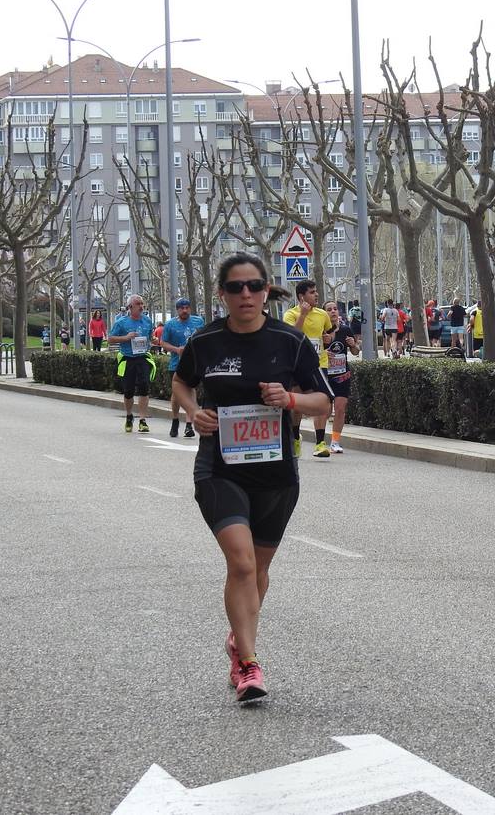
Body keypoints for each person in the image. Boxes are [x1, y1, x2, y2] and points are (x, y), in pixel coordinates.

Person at [172, 252, 332, 702]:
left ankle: (237, 638)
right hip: (219, 468)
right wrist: (193, 412)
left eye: (254, 286)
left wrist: (291, 401)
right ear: (222, 294)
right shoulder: (205, 342)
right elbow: (181, 383)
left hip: (276, 471)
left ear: (266, 291)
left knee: (258, 570)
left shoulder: (290, 342)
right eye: (236, 287)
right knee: (241, 562)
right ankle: (248, 662)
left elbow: (325, 399)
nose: (246, 294)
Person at [283, 279, 334, 457]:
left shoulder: (322, 314)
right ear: (301, 296)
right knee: (297, 404)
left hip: (319, 363)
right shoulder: (290, 314)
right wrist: (303, 315)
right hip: (298, 365)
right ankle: (296, 438)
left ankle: (320, 443)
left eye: (316, 291)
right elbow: (292, 336)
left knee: (323, 402)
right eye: (312, 292)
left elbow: (329, 333)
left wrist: (328, 339)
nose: (316, 294)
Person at [108, 294, 155, 433]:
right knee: (128, 391)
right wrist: (125, 337)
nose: (141, 306)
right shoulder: (121, 322)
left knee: (144, 387)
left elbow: (150, 337)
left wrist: (153, 341)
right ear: (130, 307)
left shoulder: (147, 321)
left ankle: (142, 420)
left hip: (143, 357)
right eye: (138, 304)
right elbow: (110, 339)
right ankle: (129, 416)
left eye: (142, 304)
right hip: (127, 358)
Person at [162, 297, 206, 437]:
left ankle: (189, 425)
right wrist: (177, 349)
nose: (185, 310)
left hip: (193, 363)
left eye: (187, 308)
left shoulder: (198, 321)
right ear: (177, 310)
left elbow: (203, 338)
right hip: (176, 363)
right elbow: (163, 343)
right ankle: (175, 420)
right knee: (177, 394)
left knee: (191, 390)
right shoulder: (170, 325)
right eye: (182, 308)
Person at [325, 301, 360, 453]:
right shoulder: (320, 331)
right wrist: (322, 354)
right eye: (329, 309)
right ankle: (320, 439)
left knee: (340, 409)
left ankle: (335, 441)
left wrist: (353, 345)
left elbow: (356, 352)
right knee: (324, 411)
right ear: (324, 313)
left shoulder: (346, 329)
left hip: (342, 375)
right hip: (325, 375)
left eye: (335, 309)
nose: (333, 311)